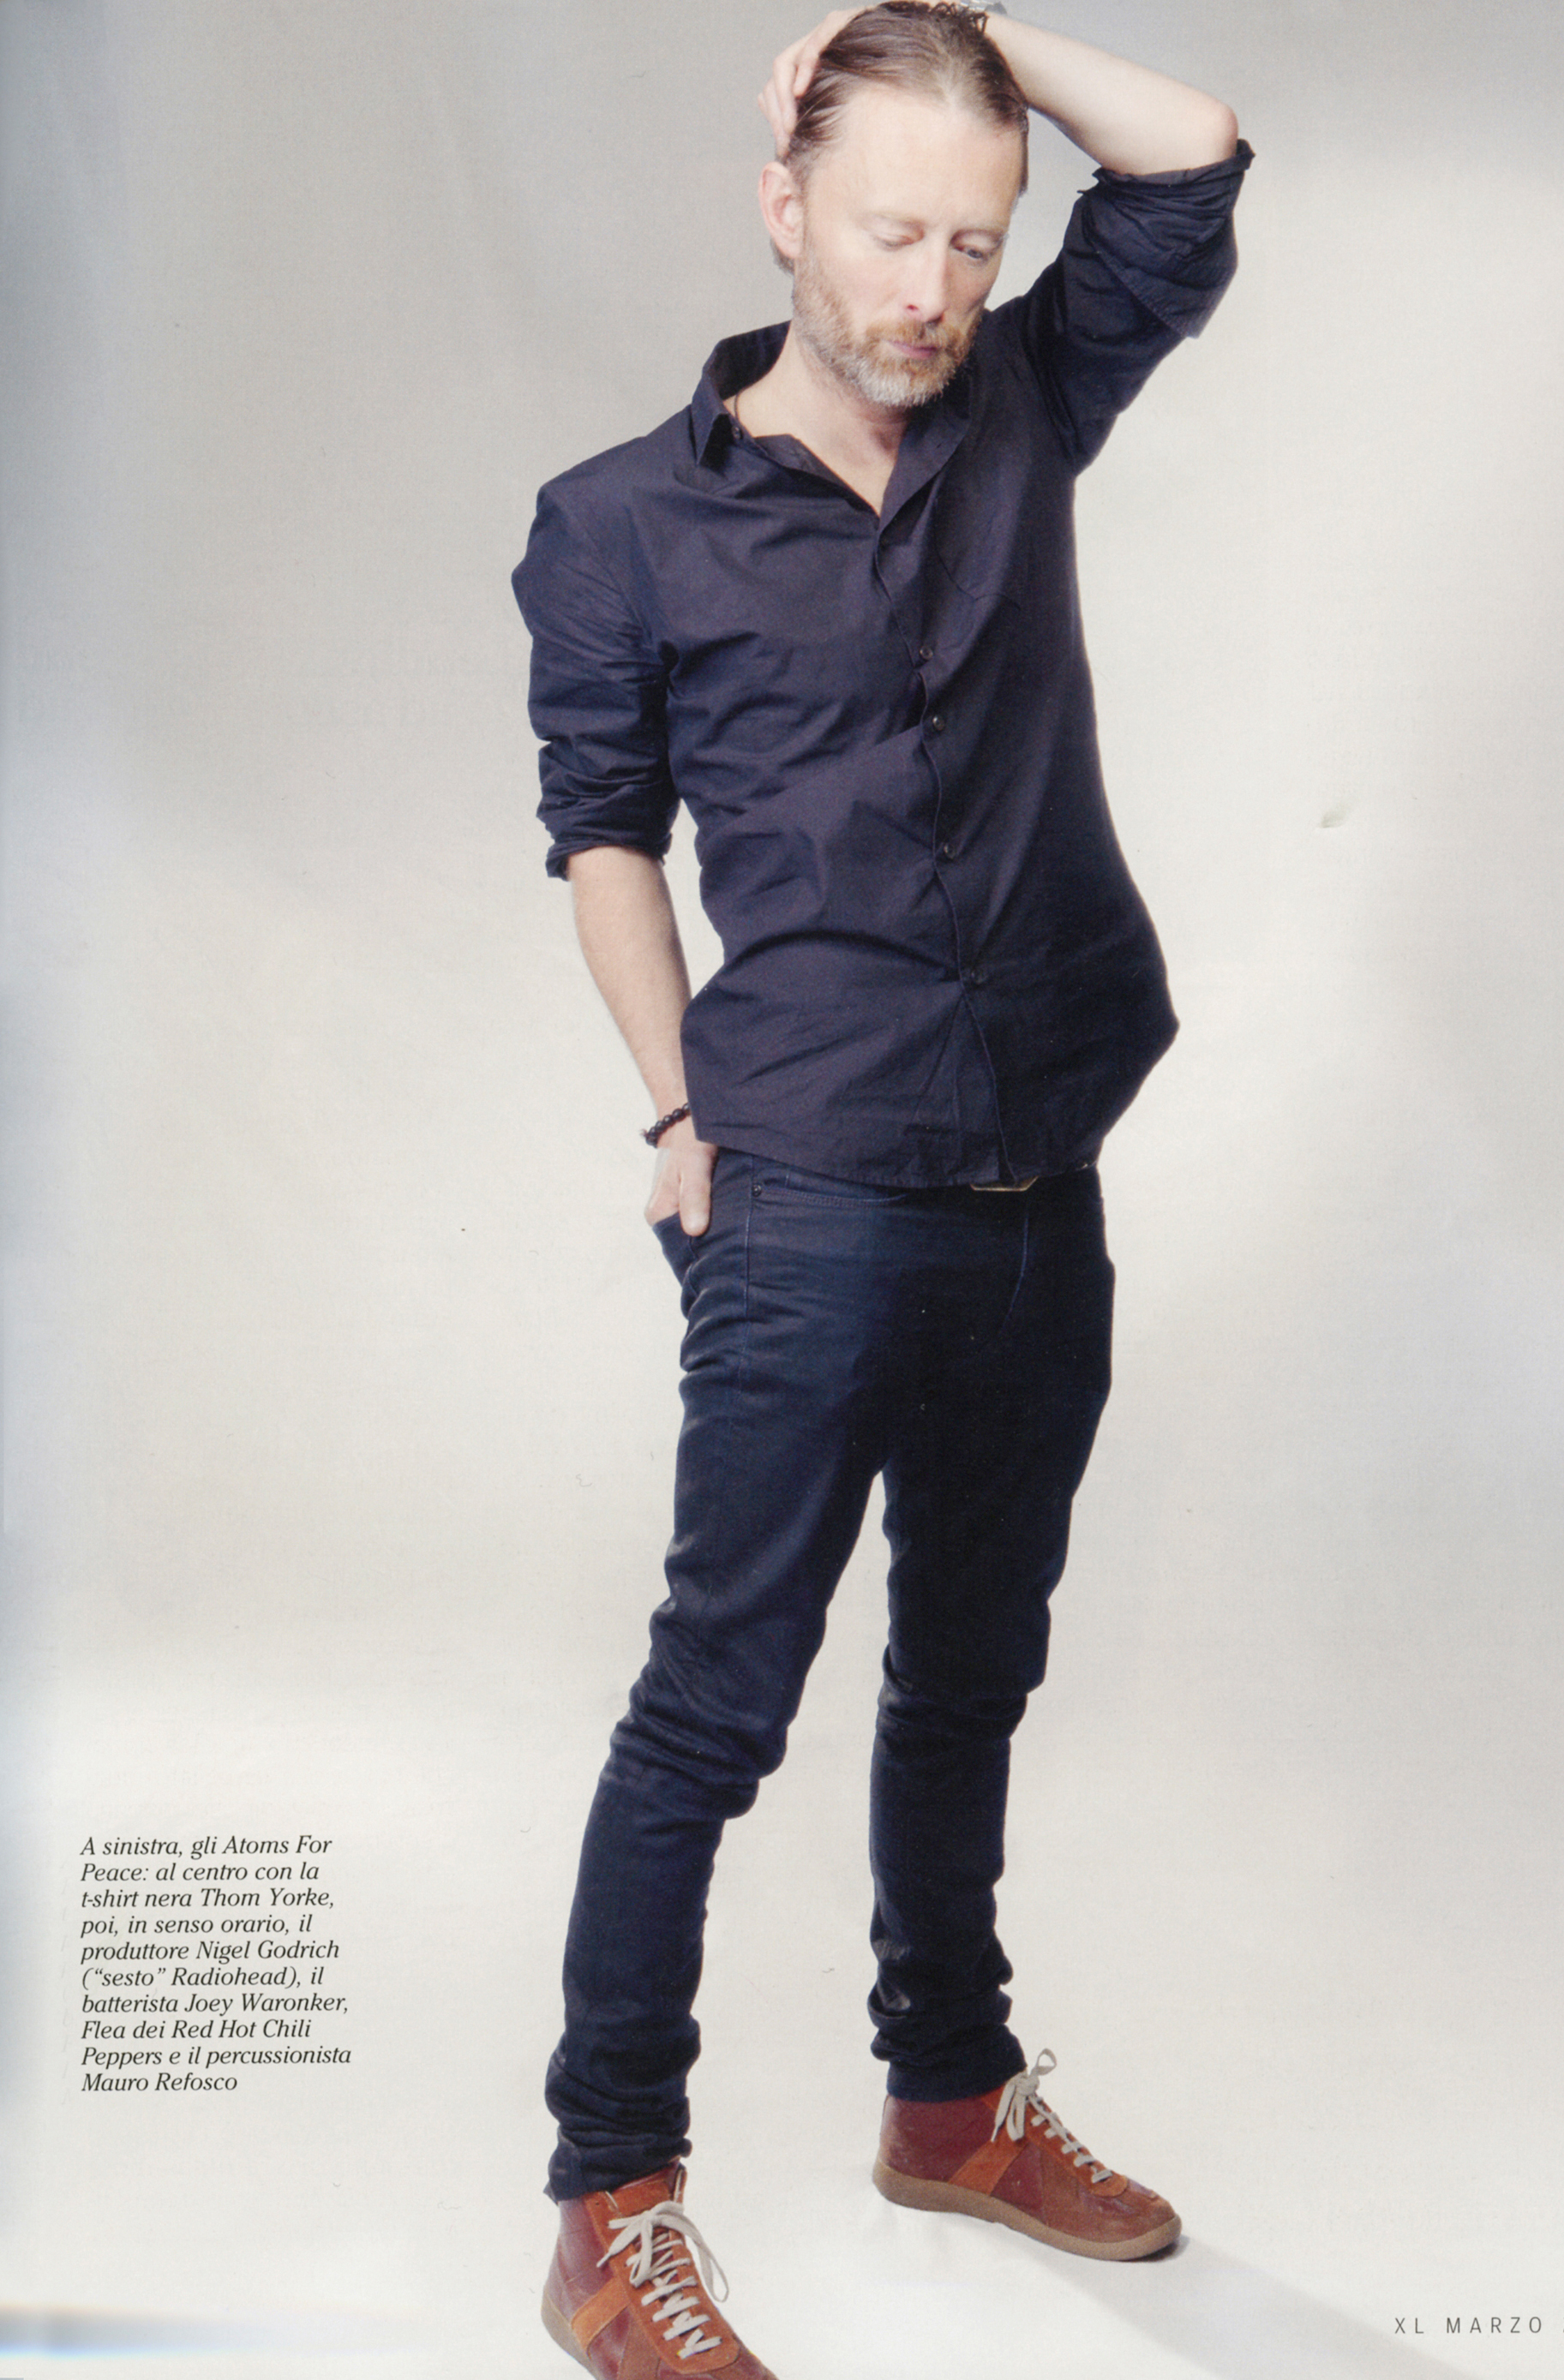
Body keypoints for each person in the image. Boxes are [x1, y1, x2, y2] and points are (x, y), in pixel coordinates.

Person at [512, 7, 1249, 2370]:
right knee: (715, 1709)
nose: (932, 288)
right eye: (888, 231)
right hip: (810, 1185)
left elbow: (1195, 159)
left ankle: (949, 2100)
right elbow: (605, 836)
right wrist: (677, 1112)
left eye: (972, 239)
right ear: (783, 211)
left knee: (972, 1673)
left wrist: (963, 31)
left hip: (1046, 1171)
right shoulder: (619, 524)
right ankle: (610, 2201)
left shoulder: (1023, 402)